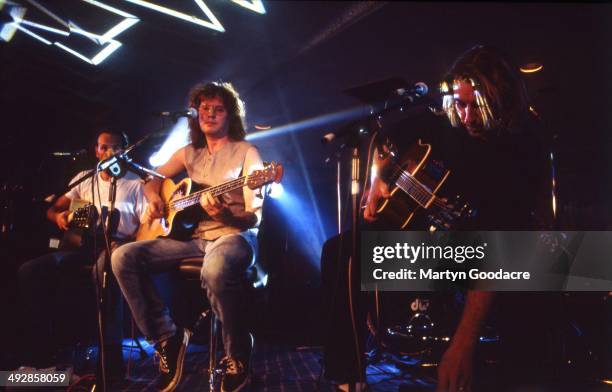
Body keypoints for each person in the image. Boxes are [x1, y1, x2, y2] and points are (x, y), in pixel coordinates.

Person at [362, 45, 553, 391]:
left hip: (508, 256)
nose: (466, 118)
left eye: (475, 106)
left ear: (500, 99)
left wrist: (463, 343)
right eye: (460, 105)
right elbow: (386, 139)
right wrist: (378, 179)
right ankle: (348, 373)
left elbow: (500, 244)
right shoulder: (450, 125)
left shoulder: (520, 145)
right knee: (342, 251)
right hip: (451, 248)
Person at [111, 81, 264, 392]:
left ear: (230, 115)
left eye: (218, 109)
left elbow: (254, 216)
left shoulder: (248, 153)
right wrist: (155, 197)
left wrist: (225, 215)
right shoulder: (189, 152)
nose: (209, 114)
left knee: (215, 267)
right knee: (122, 256)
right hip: (192, 238)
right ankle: (167, 339)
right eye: (204, 108)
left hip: (235, 235)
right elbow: (152, 178)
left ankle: (237, 352)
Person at [17, 130, 145, 379]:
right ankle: (42, 358)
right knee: (30, 270)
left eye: (115, 147)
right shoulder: (85, 179)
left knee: (104, 272)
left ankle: (110, 369)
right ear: (96, 151)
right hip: (81, 246)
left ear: (125, 151)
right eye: (103, 147)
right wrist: (59, 217)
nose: (108, 153)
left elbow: (146, 228)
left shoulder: (137, 184)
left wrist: (127, 245)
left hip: (117, 248)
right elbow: (54, 208)